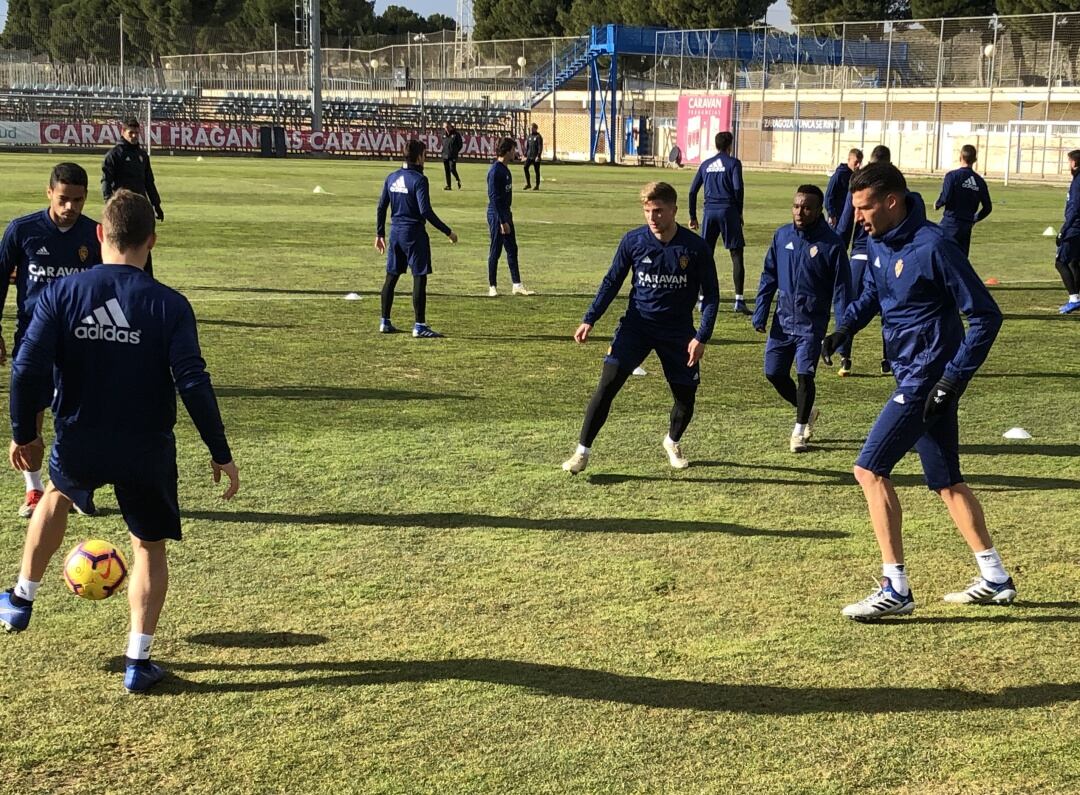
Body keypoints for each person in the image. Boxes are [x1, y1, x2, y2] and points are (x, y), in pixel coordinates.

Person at [0, 190, 240, 693]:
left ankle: (21, 598)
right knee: (148, 547)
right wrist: (220, 452)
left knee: (56, 497)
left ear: (98, 234)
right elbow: (193, 380)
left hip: (79, 436)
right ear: (150, 242)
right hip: (146, 446)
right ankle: (137, 661)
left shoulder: (61, 296)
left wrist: (25, 433)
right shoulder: (170, 304)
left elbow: (25, 368)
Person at [820, 163, 1012, 620]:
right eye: (855, 209)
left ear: (892, 201)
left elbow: (986, 316)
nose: (858, 219)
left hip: (926, 379)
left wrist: (952, 379)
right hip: (912, 371)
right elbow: (873, 293)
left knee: (868, 469)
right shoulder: (880, 242)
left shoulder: (935, 246)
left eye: (865, 208)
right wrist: (843, 327)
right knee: (947, 481)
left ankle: (896, 586)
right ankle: (996, 577)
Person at [562, 182, 719, 474]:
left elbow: (711, 294)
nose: (652, 217)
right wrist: (589, 318)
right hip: (637, 326)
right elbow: (612, 282)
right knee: (607, 385)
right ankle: (581, 452)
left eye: (658, 211)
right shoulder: (633, 241)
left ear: (674, 210)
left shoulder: (694, 247)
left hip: (678, 332)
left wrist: (702, 336)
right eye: (647, 211)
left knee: (685, 398)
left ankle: (672, 441)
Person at [0, 163, 102, 518]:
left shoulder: (96, 235)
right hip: (34, 339)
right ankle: (33, 488)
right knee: (32, 413)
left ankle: (71, 486)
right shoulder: (22, 230)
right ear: (49, 193)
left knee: (76, 415)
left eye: (77, 200)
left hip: (82, 340)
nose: (69, 208)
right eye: (63, 199)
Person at [752, 185, 850, 453]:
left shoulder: (832, 244)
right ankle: (807, 411)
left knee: (805, 375)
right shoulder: (782, 235)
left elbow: (842, 291)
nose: (799, 212)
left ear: (819, 211)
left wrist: (843, 330)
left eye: (807, 207)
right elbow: (768, 275)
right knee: (773, 373)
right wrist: (761, 310)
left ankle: (799, 432)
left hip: (811, 323)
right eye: (796, 206)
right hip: (782, 321)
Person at [375, 139, 458, 338]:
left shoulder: (392, 177)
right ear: (419, 157)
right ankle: (419, 325)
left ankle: (384, 321)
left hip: (395, 232)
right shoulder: (420, 180)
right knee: (419, 277)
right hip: (414, 234)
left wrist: (380, 233)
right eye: (425, 154)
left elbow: (381, 206)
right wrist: (448, 231)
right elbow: (425, 211)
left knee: (391, 277)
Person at [835, 144, 891, 376]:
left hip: (859, 255)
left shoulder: (859, 183)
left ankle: (844, 357)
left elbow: (846, 223)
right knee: (890, 308)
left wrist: (836, 252)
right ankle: (889, 359)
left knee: (851, 305)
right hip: (887, 256)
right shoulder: (893, 186)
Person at [688, 131, 749, 315]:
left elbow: (692, 191)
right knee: (736, 255)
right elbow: (738, 189)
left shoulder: (706, 164)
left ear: (716, 145)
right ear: (730, 144)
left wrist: (692, 216)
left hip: (709, 212)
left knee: (704, 255)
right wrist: (738, 212)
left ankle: (701, 299)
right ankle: (739, 300)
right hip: (728, 210)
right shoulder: (733, 163)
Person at [101, 118, 162, 278]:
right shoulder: (114, 155)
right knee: (121, 242)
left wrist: (156, 204)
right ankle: (116, 273)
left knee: (144, 241)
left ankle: (147, 276)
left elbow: (149, 181)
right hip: (122, 208)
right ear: (123, 132)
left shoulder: (142, 156)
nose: (134, 136)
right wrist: (109, 203)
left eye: (136, 133)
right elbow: (106, 180)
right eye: (131, 133)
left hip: (142, 207)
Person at [486, 137, 534, 298]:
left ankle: (517, 284)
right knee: (496, 250)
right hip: (496, 214)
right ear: (507, 151)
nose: (515, 153)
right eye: (513, 149)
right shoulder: (495, 171)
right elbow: (493, 197)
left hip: (506, 213)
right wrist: (501, 221)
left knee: (512, 249)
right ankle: (492, 286)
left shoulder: (505, 169)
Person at [934, 144, 992, 257]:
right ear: (975, 160)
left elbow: (945, 197)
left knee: (941, 256)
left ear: (960, 157)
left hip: (951, 222)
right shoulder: (979, 181)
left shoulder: (952, 176)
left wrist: (938, 204)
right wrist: (975, 219)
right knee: (960, 261)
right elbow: (988, 207)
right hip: (966, 226)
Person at [1054, 149, 1080, 314]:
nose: (1068, 165)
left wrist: (1063, 230)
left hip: (1075, 227)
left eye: (1069, 162)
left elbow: (1076, 207)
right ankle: (1077, 299)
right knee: (1074, 262)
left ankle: (1074, 299)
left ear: (1074, 163)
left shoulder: (1078, 181)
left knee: (1060, 262)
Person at [824, 148, 862, 247]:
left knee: (844, 243)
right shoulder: (839, 175)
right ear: (849, 160)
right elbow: (828, 196)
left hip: (848, 216)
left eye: (860, 163)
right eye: (856, 162)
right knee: (836, 243)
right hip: (837, 217)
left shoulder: (854, 176)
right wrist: (832, 214)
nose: (858, 165)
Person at [440, 121, 463, 191]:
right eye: (445, 127)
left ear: (450, 126)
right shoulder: (443, 134)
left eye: (447, 127)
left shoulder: (456, 134)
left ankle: (457, 179)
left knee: (452, 169)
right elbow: (443, 143)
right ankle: (448, 185)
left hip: (452, 155)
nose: (446, 129)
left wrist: (455, 151)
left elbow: (460, 145)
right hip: (445, 155)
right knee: (447, 171)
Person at [523, 123, 543, 191]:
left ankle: (537, 185)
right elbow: (528, 147)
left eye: (532, 128)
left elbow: (540, 147)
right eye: (530, 128)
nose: (530, 129)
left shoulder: (538, 136)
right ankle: (528, 184)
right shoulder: (529, 136)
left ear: (535, 128)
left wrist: (538, 155)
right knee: (525, 167)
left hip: (536, 157)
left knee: (537, 171)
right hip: (529, 156)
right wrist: (525, 155)